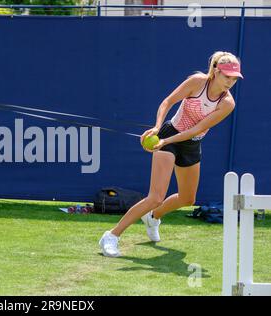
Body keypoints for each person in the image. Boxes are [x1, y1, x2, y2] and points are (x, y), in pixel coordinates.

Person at [99, 51, 243, 257]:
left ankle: (153, 217)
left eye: (234, 78)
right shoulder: (196, 82)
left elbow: (195, 130)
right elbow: (167, 102)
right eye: (227, 76)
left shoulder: (227, 103)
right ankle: (111, 236)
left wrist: (165, 141)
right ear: (215, 71)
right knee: (156, 196)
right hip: (170, 133)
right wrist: (158, 129)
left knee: (188, 199)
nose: (230, 82)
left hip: (190, 143)